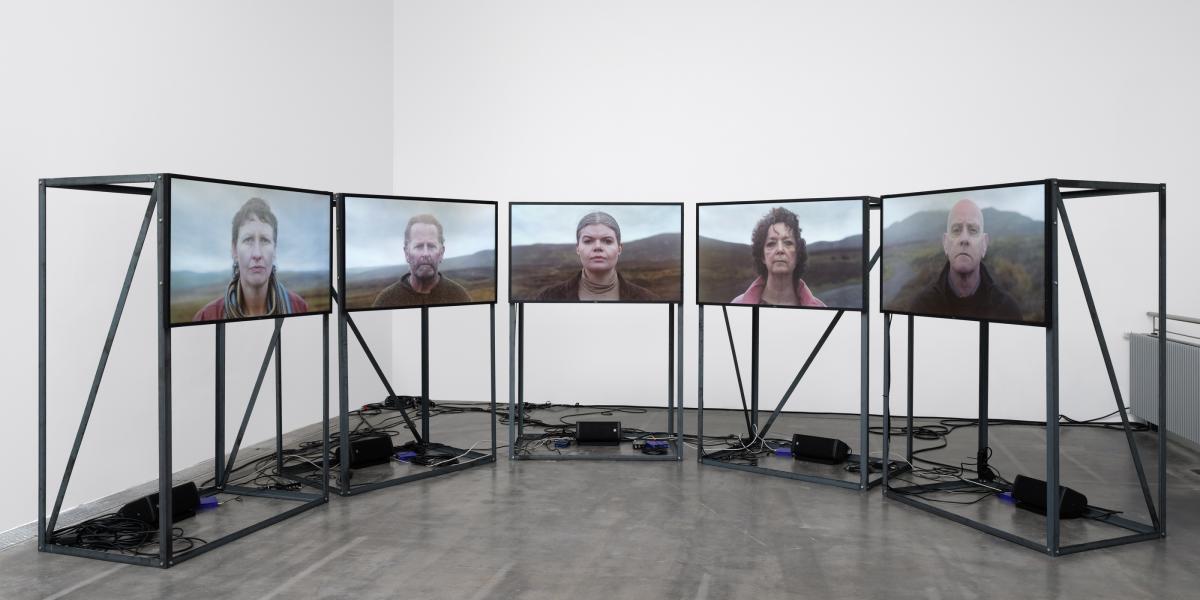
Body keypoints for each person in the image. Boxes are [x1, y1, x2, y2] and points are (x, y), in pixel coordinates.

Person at [194, 197, 309, 321]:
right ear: (234, 249)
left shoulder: (298, 308)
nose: (257, 254)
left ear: (275, 249)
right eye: (248, 240)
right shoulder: (206, 317)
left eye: (265, 240)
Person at [910, 199, 1022, 320]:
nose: (964, 239)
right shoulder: (922, 307)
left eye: (973, 230)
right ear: (945, 244)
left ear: (984, 245)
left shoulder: (1007, 310)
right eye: (956, 230)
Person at [531, 211, 658, 301]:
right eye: (588, 241)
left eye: (607, 241)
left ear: (619, 248)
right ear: (577, 248)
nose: (597, 247)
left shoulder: (648, 299)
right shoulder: (548, 298)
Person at [731, 207, 825, 306]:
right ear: (762, 256)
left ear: (798, 254)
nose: (780, 249)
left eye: (788, 243)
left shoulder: (820, 309)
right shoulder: (737, 305)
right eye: (771, 243)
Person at [372, 213, 472, 307]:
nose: (425, 254)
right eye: (419, 246)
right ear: (407, 253)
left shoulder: (460, 297)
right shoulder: (386, 301)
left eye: (431, 246)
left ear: (441, 253)